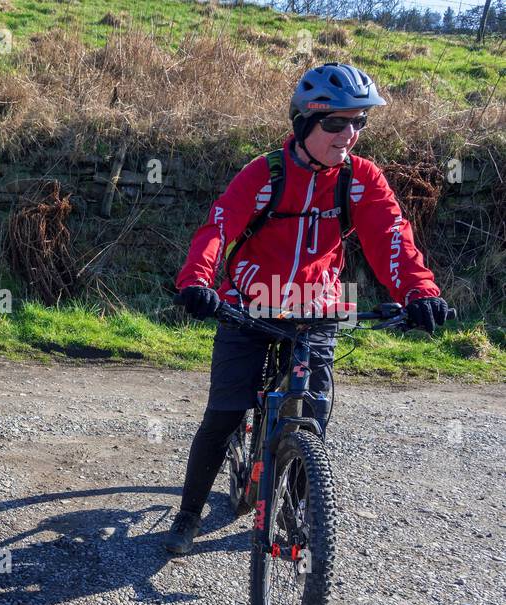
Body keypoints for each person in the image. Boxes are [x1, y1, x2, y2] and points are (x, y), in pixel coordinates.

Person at [163, 62, 450, 555]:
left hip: (320, 304)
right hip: (250, 303)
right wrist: (196, 281)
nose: (350, 134)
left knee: (312, 420)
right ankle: (188, 514)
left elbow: (391, 237)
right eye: (336, 122)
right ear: (303, 123)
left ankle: (297, 511)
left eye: (359, 121)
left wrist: (419, 291)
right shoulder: (265, 172)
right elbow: (218, 228)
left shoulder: (360, 178)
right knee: (226, 413)